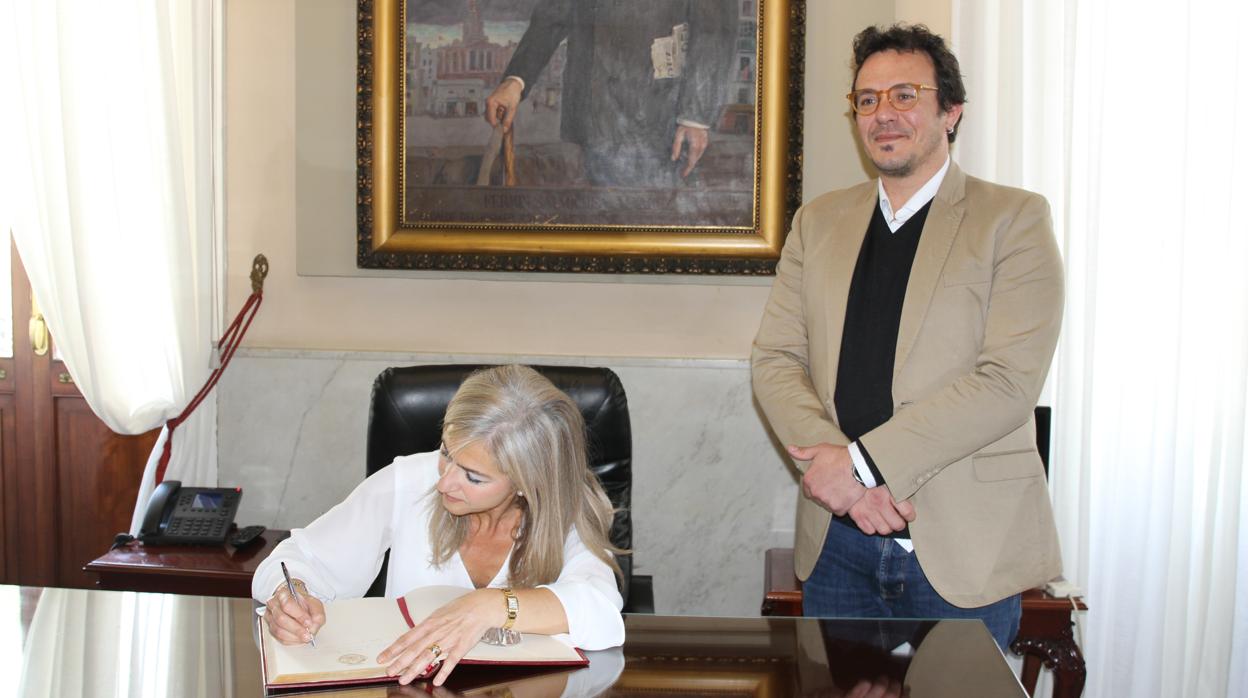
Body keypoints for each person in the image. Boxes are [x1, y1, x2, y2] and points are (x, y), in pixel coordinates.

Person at [751, 24, 1064, 650]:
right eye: (867, 100)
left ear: (951, 112)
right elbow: (775, 359)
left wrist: (861, 468)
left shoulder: (1014, 220)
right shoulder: (819, 223)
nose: (882, 115)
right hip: (838, 542)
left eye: (904, 95)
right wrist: (839, 481)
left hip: (964, 547)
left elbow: (1006, 383)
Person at [253, 365, 626, 686]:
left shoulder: (567, 507)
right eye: (447, 453)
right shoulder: (408, 480)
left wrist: (490, 606)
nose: (445, 482)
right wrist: (290, 595)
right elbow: (299, 557)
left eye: (474, 477)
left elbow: (601, 611)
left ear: (528, 484)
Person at [483, 0, 736, 187]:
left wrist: (695, 116)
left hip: (661, 118)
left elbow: (713, 29)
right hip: (592, 115)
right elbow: (554, 13)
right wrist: (516, 81)